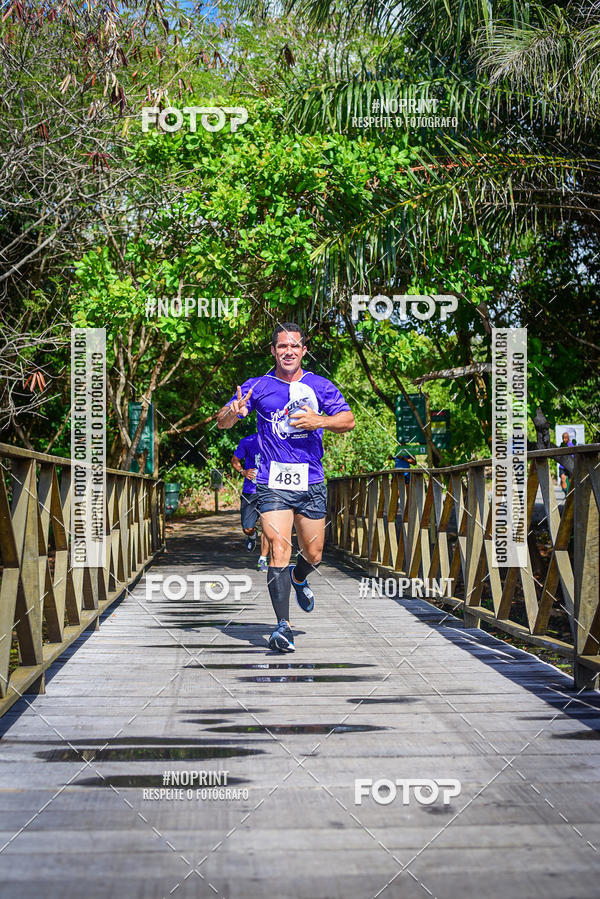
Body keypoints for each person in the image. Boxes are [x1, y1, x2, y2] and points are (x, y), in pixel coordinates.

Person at [217, 322, 355, 652]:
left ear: (304, 350)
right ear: (273, 351)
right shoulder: (257, 386)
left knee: (314, 554)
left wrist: (319, 421)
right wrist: (232, 412)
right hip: (272, 481)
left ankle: (299, 576)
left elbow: (348, 420)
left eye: (294, 346)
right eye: (282, 346)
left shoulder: (319, 385)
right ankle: (283, 626)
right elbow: (223, 420)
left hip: (311, 480)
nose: (288, 351)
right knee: (279, 547)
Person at [231, 433, 269, 572]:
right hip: (250, 491)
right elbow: (235, 459)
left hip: (270, 491)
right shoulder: (248, 441)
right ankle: (252, 536)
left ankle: (262, 560)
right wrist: (243, 471)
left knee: (268, 527)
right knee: (247, 528)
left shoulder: (277, 439)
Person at [558, 430, 577, 496]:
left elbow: (574, 456)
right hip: (562, 466)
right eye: (563, 438)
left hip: (569, 465)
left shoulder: (571, 445)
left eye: (565, 438)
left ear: (568, 438)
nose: (564, 439)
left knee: (570, 480)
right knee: (563, 479)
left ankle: (570, 494)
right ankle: (566, 494)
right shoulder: (562, 445)